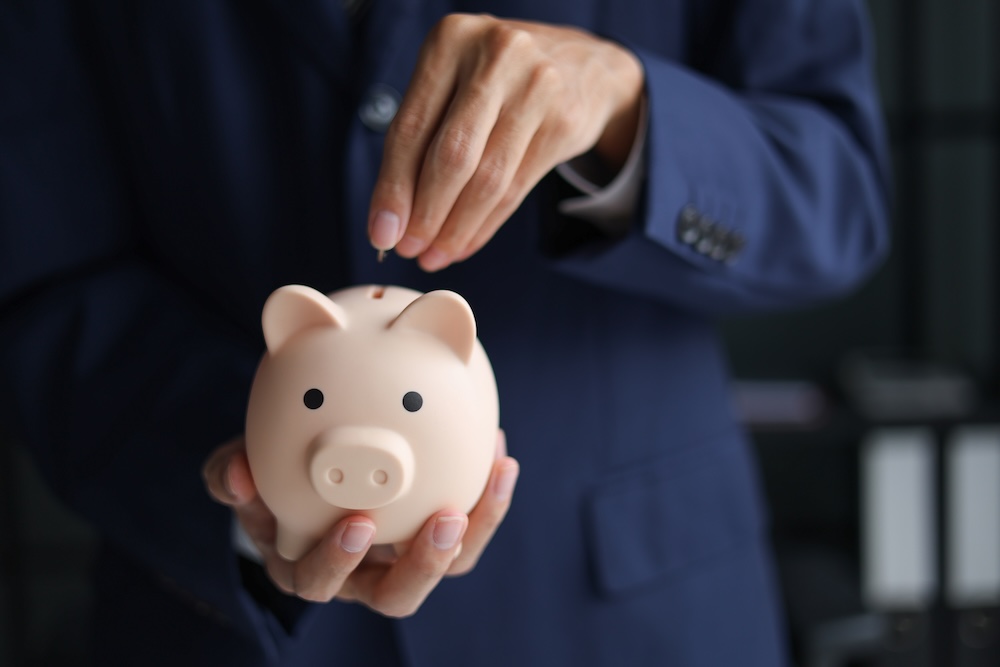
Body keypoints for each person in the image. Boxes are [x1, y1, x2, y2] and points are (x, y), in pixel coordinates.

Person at [0, 0, 889, 665]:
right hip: (221, 620)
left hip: (624, 613)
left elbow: (839, 190)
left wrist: (630, 115)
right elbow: (44, 266)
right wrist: (258, 474)